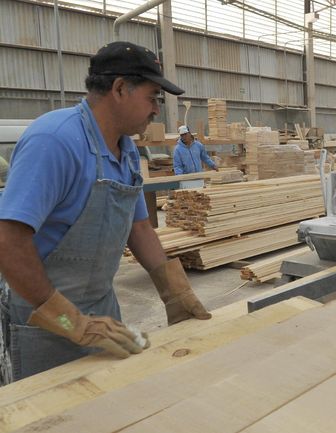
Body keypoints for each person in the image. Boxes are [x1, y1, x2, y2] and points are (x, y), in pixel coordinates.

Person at [0, 41, 211, 384]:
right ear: (120, 89)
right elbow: (8, 243)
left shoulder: (127, 151)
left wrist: (175, 291)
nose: (156, 110)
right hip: (45, 318)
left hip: (102, 314)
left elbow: (139, 228)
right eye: (153, 97)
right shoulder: (55, 141)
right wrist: (72, 322)